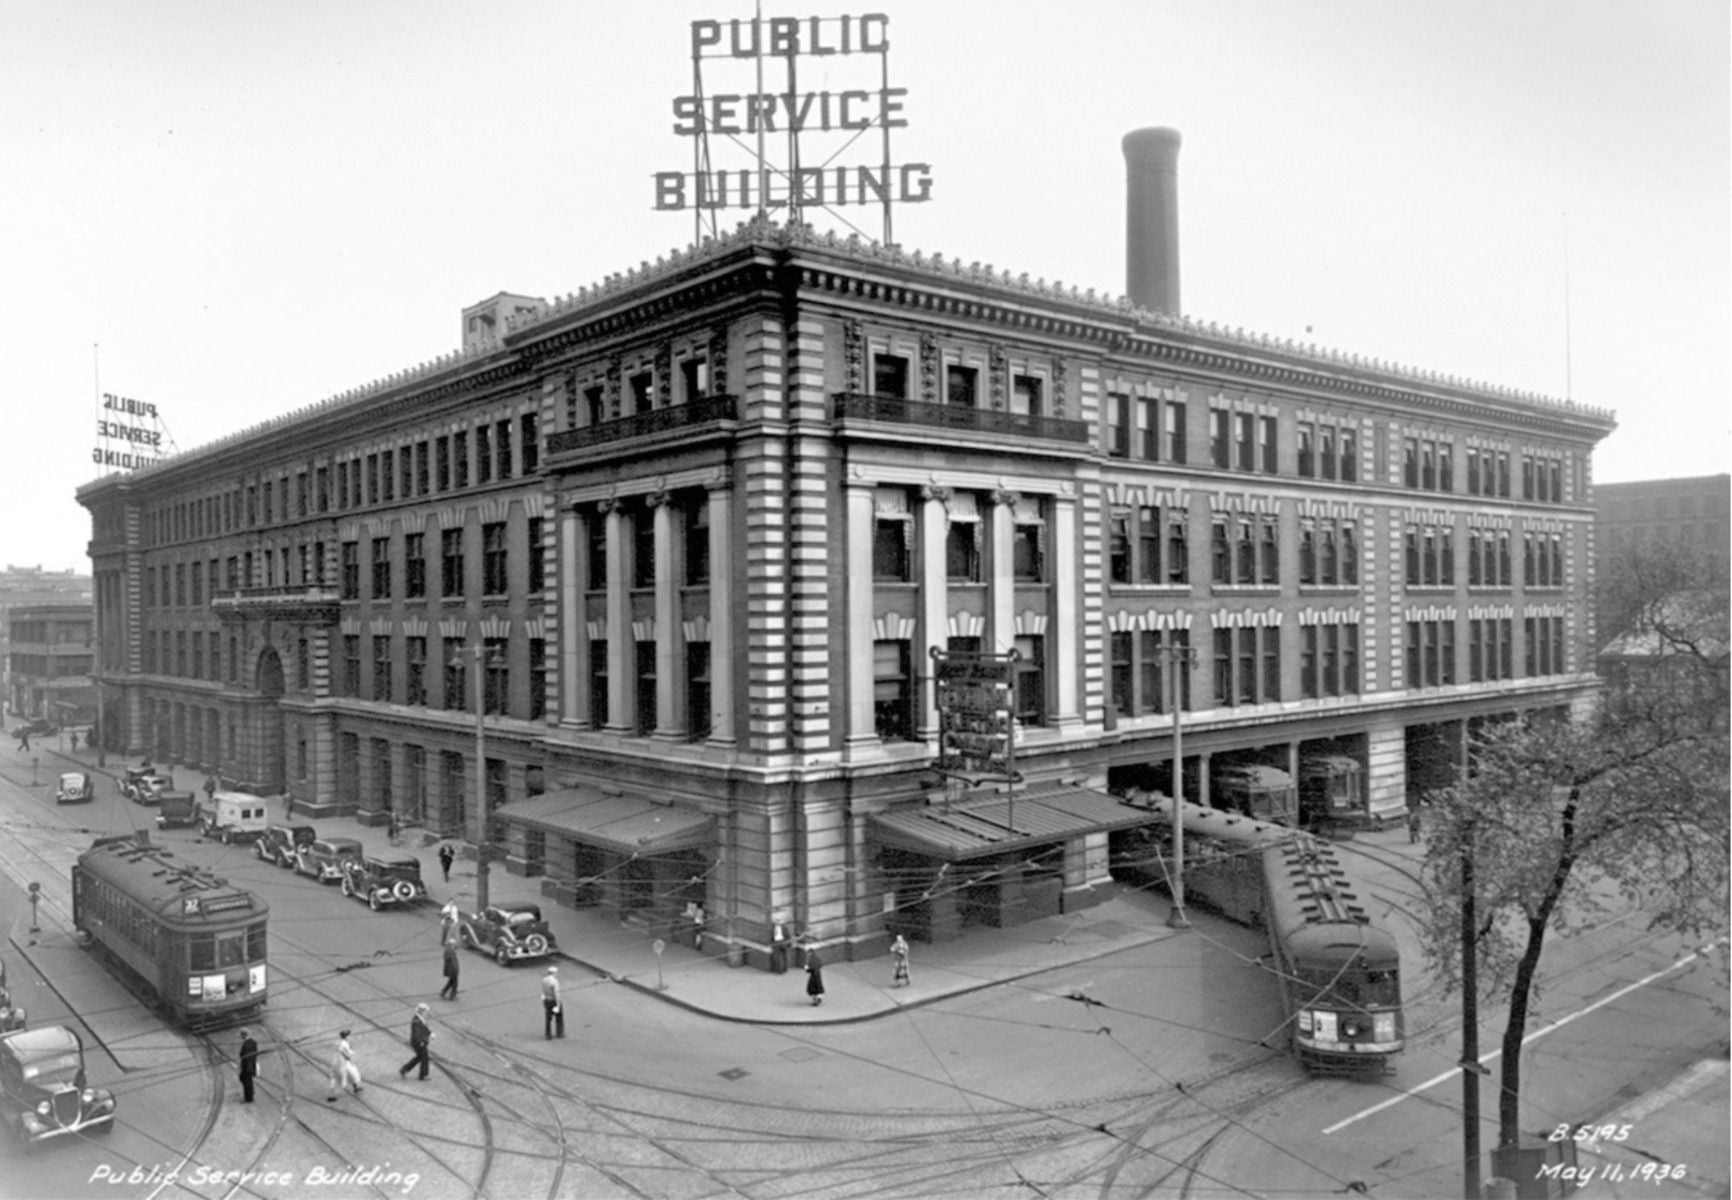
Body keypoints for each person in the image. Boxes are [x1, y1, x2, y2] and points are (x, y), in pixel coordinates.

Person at [399, 1003, 432, 1081]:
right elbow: (417, 1033)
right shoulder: (417, 1021)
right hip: (419, 1043)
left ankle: (405, 1069)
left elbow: (424, 1029)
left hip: (419, 1042)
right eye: (426, 1012)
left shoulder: (419, 1019)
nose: (427, 1013)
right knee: (424, 1058)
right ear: (422, 1012)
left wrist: (430, 1033)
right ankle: (423, 1075)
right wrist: (421, 1042)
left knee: (419, 1057)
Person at [327, 1029, 362, 1102]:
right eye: (349, 1035)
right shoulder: (344, 1044)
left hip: (335, 1062)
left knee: (334, 1078)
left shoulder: (339, 1042)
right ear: (346, 1036)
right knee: (353, 1073)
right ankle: (355, 1087)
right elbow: (347, 1055)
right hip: (343, 1063)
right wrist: (351, 1058)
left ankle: (331, 1096)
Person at [541, 965, 564, 1039]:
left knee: (548, 1018)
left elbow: (543, 990)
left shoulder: (544, 980)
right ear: (554, 973)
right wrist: (557, 1005)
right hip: (553, 1001)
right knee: (559, 1017)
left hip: (547, 1000)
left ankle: (548, 1034)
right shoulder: (554, 981)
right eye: (556, 973)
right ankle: (559, 1032)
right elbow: (556, 993)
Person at [238, 1027, 259, 1103]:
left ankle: (249, 1098)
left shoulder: (246, 1044)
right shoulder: (253, 1042)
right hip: (252, 1064)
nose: (241, 1036)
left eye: (241, 1035)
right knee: (248, 1080)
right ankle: (251, 1092)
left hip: (247, 1066)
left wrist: (244, 1067)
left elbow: (244, 1056)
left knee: (245, 1080)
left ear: (244, 1035)